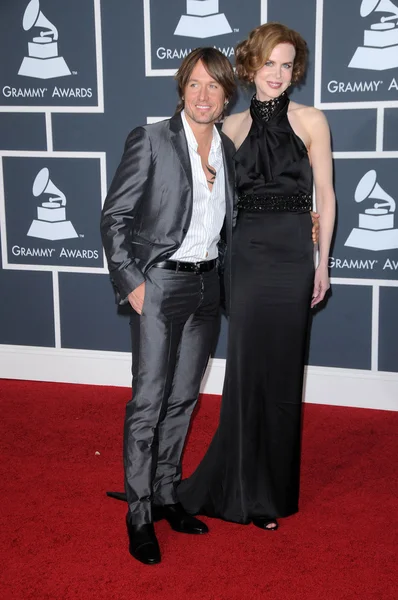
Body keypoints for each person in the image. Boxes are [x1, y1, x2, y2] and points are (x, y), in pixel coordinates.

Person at [178, 23, 336, 531]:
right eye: (269, 63)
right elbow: (208, 198)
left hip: (292, 255)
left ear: (296, 71)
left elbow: (327, 197)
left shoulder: (313, 120)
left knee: (284, 373)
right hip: (244, 256)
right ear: (250, 67)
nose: (277, 73)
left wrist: (323, 261)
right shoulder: (230, 128)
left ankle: (271, 495)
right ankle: (239, 487)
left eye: (287, 64)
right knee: (245, 373)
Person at [100, 48, 237, 565]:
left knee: (183, 400)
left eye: (213, 87)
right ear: (182, 89)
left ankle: (165, 493)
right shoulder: (152, 138)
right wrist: (132, 280)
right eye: (194, 85)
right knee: (148, 402)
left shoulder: (229, 149)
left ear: (226, 95)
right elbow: (114, 216)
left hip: (207, 288)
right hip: (158, 286)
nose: (203, 96)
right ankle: (138, 512)